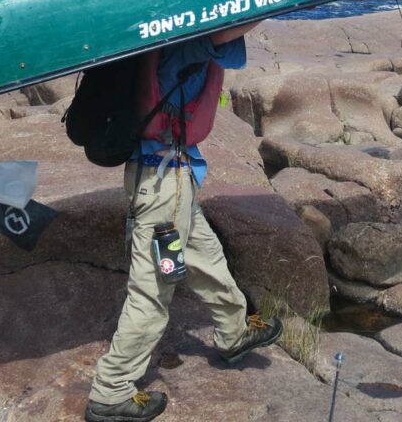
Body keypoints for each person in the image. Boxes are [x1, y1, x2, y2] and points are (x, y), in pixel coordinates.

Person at [85, 22, 282, 422]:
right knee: (154, 287)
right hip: (164, 187)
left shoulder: (161, 34)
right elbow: (224, 35)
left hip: (170, 183)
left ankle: (233, 331)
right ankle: (111, 389)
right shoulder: (182, 40)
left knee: (204, 254)